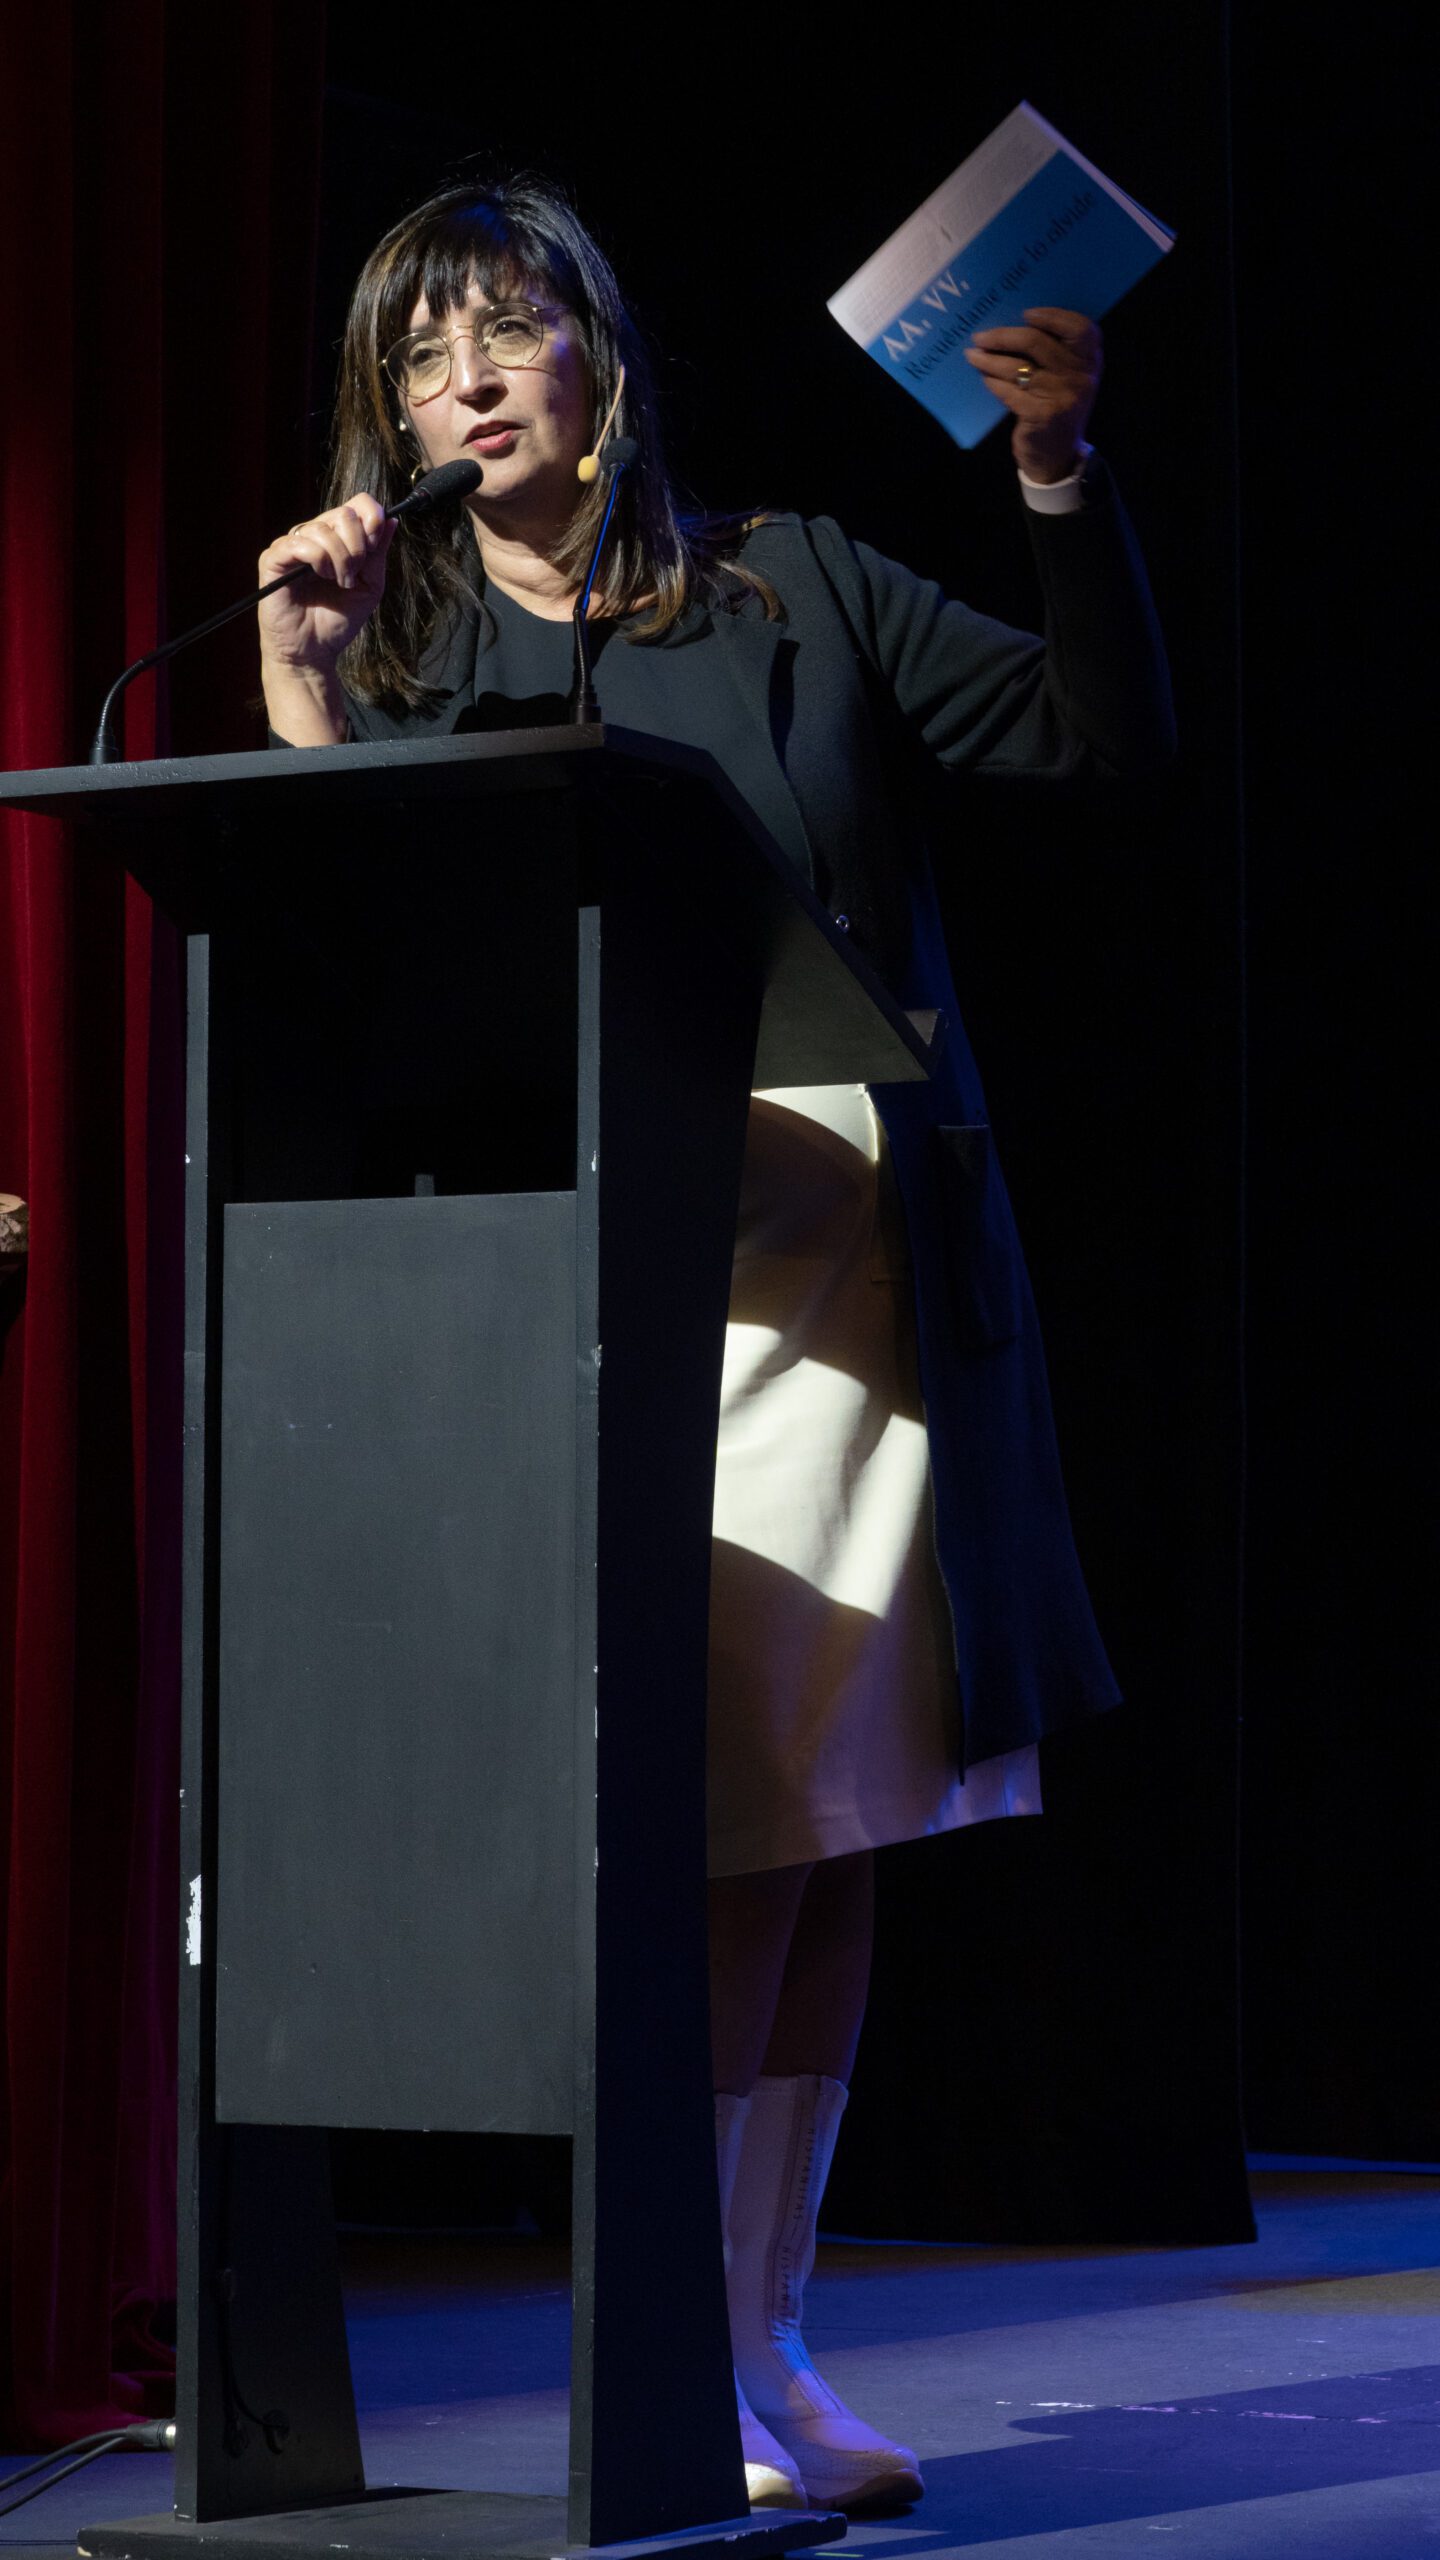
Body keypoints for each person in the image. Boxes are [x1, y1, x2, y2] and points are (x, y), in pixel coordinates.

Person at [260, 176, 1174, 2515]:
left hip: (856, 1267)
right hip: (617, 1295)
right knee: (730, 1821)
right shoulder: (413, 651)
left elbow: (1091, 736)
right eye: (421, 355)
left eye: (506, 325)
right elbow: (356, 967)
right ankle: (679, 2335)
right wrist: (302, 692)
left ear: (597, 353)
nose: (469, 376)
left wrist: (1054, 472)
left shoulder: (795, 581)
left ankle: (764, 2338)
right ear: (390, 419)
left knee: (841, 1819)